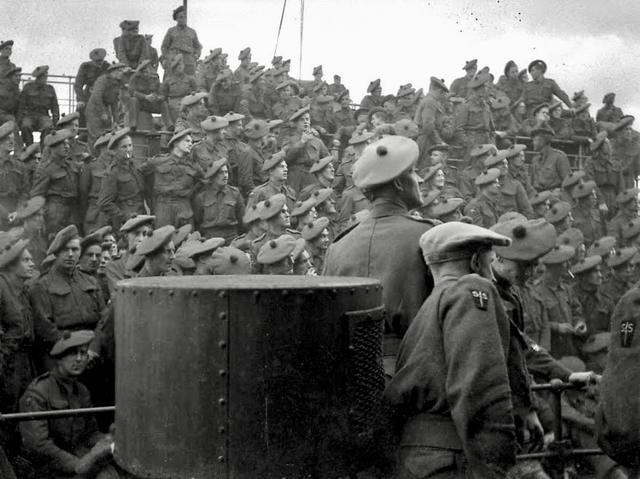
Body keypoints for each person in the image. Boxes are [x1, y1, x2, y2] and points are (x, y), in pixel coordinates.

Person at [386, 221, 518, 478]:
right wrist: (496, 466)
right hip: (454, 460)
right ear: (475, 262)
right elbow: (481, 388)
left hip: (422, 460)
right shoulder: (471, 290)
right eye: (490, 263)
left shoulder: (430, 306)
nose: (492, 276)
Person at [323, 136, 435, 376]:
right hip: (414, 372)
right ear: (398, 184)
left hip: (351, 375)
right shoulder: (427, 237)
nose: (421, 179)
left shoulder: (338, 247)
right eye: (413, 173)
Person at [19, 330, 118, 478]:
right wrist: (79, 464)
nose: (79, 359)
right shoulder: (38, 393)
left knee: (108, 475)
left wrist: (109, 440)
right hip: (47, 466)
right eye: (72, 353)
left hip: (76, 457)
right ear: (59, 359)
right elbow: (38, 445)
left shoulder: (82, 390)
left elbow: (89, 433)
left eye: (83, 353)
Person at [28, 224, 105, 361]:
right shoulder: (41, 286)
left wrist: (94, 348)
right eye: (65, 250)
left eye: (74, 249)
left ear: (80, 252)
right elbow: (46, 329)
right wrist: (76, 351)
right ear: (56, 253)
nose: (70, 254)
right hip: (61, 353)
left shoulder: (90, 281)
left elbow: (103, 319)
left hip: (92, 350)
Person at [0, 237, 36, 471]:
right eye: (26, 260)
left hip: (23, 359)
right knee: (8, 409)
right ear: (12, 265)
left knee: (21, 407)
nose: (32, 264)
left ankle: (16, 455)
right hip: (7, 362)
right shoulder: (1, 288)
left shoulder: (20, 289)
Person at [534, 244, 586, 358]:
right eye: (564, 263)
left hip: (570, 347)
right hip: (551, 351)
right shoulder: (536, 291)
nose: (568, 265)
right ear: (552, 267)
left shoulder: (567, 289)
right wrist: (557, 327)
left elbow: (577, 310)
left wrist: (579, 323)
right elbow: (535, 323)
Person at [142, 128, 201, 228]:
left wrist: (190, 193)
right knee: (162, 239)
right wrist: (151, 197)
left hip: (184, 206)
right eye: (187, 141)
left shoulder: (193, 166)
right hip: (163, 206)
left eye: (191, 141)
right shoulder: (158, 161)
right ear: (176, 142)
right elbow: (141, 175)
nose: (190, 144)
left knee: (187, 239)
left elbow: (203, 181)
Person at [29, 130, 80, 238]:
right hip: (56, 214)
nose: (67, 147)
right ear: (53, 147)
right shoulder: (45, 169)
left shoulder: (71, 165)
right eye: (62, 144)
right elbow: (36, 196)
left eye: (67, 144)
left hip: (73, 211)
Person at [194, 158, 245, 242]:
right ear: (213, 176)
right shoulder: (202, 197)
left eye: (226, 172)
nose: (225, 176)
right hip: (210, 238)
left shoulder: (235, 194)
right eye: (221, 173)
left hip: (231, 237)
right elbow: (197, 222)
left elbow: (242, 220)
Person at [282, 106, 330, 193]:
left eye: (307, 119)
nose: (305, 122)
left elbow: (327, 158)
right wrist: (301, 142)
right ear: (296, 123)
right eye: (302, 120)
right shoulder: (289, 139)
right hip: (294, 176)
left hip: (312, 175)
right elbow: (285, 159)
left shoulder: (317, 140)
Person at [249, 193, 300, 273]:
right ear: (272, 216)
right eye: (283, 212)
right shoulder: (258, 245)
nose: (288, 215)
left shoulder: (296, 237)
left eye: (287, 211)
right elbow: (256, 274)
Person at [103, 214, 154, 294]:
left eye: (145, 234)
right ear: (126, 237)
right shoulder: (114, 266)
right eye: (136, 234)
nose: (141, 239)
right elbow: (121, 297)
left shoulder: (155, 262)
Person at [570, 255, 614, 339]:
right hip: (576, 347)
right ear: (583, 277)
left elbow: (612, 328)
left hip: (601, 346)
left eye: (600, 271)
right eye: (595, 272)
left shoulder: (606, 299)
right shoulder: (571, 296)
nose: (600, 275)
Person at [85, 63, 129, 146]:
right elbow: (96, 96)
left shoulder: (117, 83)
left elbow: (114, 102)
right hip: (94, 109)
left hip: (105, 108)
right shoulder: (102, 80)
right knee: (95, 134)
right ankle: (93, 155)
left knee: (106, 133)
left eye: (122, 71)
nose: (121, 73)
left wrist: (116, 121)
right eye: (119, 71)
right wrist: (102, 112)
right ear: (112, 72)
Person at [455, 73, 495, 160]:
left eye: (486, 87)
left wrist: (492, 143)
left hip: (487, 142)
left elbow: (492, 129)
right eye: (483, 87)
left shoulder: (486, 107)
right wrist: (468, 143)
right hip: (473, 142)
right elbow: (459, 129)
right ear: (477, 90)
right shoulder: (467, 106)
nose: (486, 89)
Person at [18, 65, 59, 145]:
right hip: (29, 115)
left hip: (44, 115)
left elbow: (55, 107)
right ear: (38, 78)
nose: (44, 79)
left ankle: (43, 150)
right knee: (25, 126)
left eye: (46, 77)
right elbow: (21, 105)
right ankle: (30, 148)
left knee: (48, 127)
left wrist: (55, 123)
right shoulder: (28, 87)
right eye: (42, 77)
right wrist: (19, 120)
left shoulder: (50, 89)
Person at [127, 59, 172, 131]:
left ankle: (169, 125)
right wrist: (145, 97)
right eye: (144, 72)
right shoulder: (134, 79)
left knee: (164, 104)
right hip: (140, 104)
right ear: (140, 72)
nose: (146, 73)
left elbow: (162, 94)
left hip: (151, 104)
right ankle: (133, 124)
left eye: (147, 71)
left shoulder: (154, 78)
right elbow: (131, 92)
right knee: (133, 100)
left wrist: (157, 97)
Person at [79, 133, 111, 234]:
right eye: (109, 147)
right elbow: (83, 191)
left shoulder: (117, 167)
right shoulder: (91, 166)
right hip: (96, 214)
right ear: (102, 148)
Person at [414, 77, 449, 167]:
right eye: (442, 93)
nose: (443, 96)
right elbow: (428, 126)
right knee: (425, 168)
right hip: (427, 140)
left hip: (428, 138)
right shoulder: (430, 102)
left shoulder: (430, 101)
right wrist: (439, 142)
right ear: (438, 90)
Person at [161, 5, 202, 76]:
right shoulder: (171, 31)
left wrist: (196, 56)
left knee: (190, 82)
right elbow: (164, 47)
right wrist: (168, 58)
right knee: (173, 81)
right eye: (180, 17)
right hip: (175, 60)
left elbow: (198, 46)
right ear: (176, 19)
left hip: (189, 61)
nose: (183, 19)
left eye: (184, 17)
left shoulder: (192, 31)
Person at [0, 121, 28, 226]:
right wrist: (5, 214)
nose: (11, 142)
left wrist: (19, 211)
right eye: (7, 139)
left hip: (17, 215)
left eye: (12, 139)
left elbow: (25, 192)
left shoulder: (19, 165)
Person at [529, 126, 571, 191]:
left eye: (535, 140)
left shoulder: (559, 157)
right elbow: (532, 183)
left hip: (553, 196)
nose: (533, 143)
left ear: (543, 141)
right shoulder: (535, 159)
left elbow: (568, 181)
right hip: (538, 196)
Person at [74, 48, 110, 122]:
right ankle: (82, 132)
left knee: (106, 116)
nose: (99, 63)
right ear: (92, 60)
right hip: (88, 95)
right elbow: (78, 84)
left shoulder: (108, 67)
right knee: (80, 110)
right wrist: (80, 100)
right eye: (96, 61)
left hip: (103, 96)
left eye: (101, 61)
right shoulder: (85, 67)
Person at [161, 54, 197, 124]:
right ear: (174, 68)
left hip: (187, 100)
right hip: (173, 101)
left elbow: (196, 91)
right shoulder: (168, 80)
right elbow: (164, 95)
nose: (180, 67)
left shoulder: (190, 79)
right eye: (177, 66)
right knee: (176, 109)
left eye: (181, 65)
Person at [12, 196, 48, 268]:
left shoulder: (41, 240)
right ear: (27, 216)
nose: (42, 219)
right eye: (38, 215)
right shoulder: (15, 237)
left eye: (42, 215)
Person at [571, 180, 606, 246]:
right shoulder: (573, 215)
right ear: (584, 199)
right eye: (592, 195)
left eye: (595, 194)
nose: (595, 197)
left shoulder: (597, 213)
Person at [610, 115, 640, 189]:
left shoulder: (635, 146)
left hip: (628, 180)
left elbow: (638, 165)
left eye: (630, 129)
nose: (630, 132)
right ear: (619, 132)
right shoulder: (611, 144)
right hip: (612, 181)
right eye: (626, 129)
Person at [241, 119, 269, 187]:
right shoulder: (248, 153)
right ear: (260, 136)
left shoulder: (259, 150)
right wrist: (256, 195)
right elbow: (246, 182)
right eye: (266, 135)